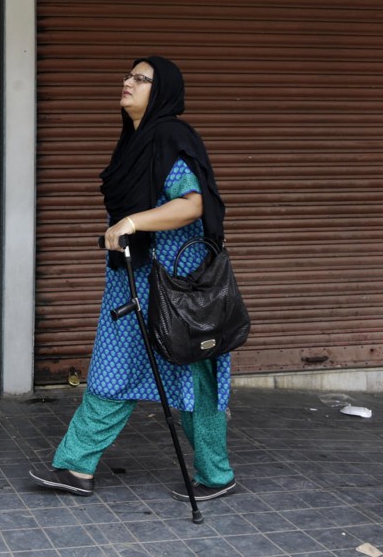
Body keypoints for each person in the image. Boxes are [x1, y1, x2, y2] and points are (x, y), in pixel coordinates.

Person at [30, 56, 237, 501]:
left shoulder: (170, 138)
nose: (128, 82)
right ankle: (76, 465)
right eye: (128, 75)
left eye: (141, 79)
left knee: (194, 376)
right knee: (115, 365)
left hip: (177, 288)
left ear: (160, 92)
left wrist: (132, 222)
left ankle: (216, 474)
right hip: (134, 279)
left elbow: (193, 203)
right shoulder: (137, 141)